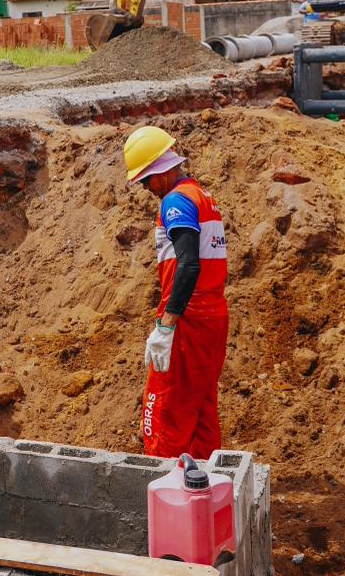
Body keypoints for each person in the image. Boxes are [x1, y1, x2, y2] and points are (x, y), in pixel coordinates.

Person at [124, 125, 229, 459]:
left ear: (160, 172)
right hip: (212, 317)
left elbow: (188, 264)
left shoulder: (176, 201)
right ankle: (207, 494)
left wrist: (167, 323)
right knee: (201, 410)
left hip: (188, 320)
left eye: (145, 180)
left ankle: (166, 498)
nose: (146, 188)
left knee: (164, 412)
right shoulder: (204, 198)